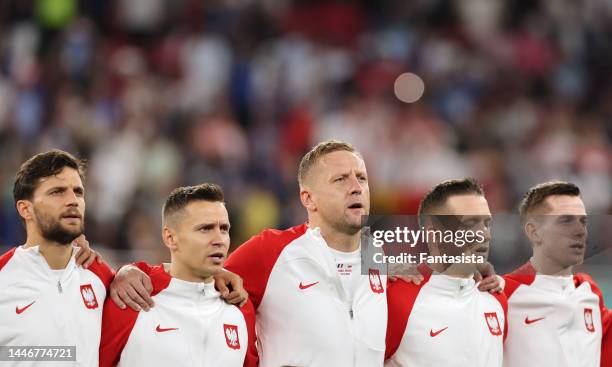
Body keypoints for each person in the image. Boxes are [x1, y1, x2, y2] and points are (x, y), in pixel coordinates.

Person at [110, 140, 501, 366]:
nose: (356, 187)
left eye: (361, 178)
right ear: (307, 198)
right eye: (341, 179)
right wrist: (131, 269)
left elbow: (433, 284)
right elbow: (195, 274)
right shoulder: (272, 251)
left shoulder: (380, 258)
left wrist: (476, 273)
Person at [99, 183, 257, 367]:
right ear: (170, 238)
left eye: (224, 229)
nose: (219, 240)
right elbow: (80, 357)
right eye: (205, 229)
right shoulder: (133, 298)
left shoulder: (240, 307)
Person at [0, 150, 113, 366]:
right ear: (26, 209)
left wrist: (129, 272)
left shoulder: (102, 277)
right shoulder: (3, 277)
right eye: (57, 192)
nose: (73, 200)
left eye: (78, 192)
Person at [385, 178, 507, 367]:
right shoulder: (393, 296)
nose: (485, 234)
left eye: (487, 223)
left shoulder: (496, 296)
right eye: (470, 223)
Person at [503, 181, 611, 367]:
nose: (580, 231)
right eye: (565, 220)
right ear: (534, 232)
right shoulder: (504, 294)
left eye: (583, 221)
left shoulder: (589, 292)